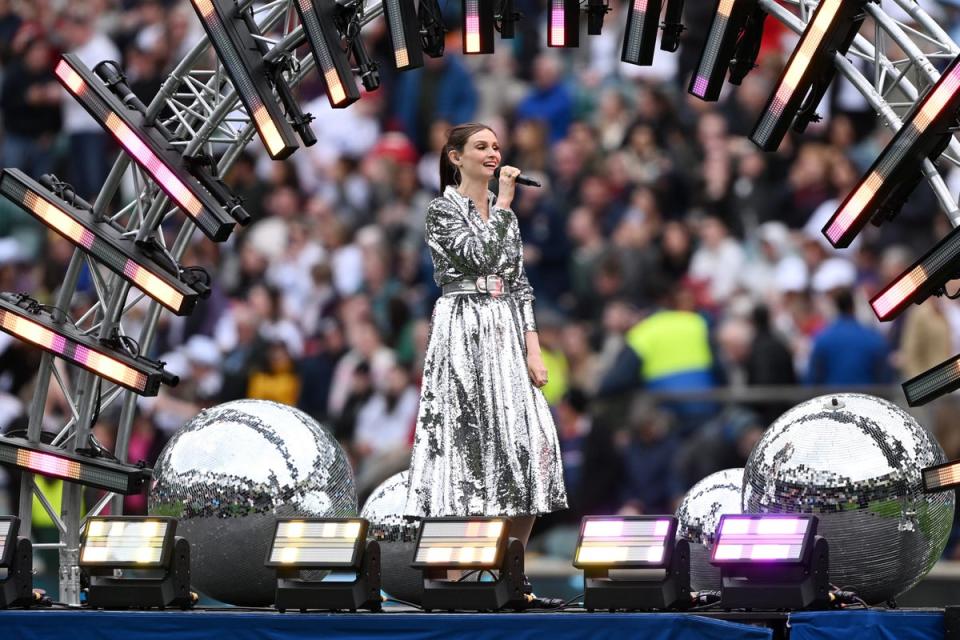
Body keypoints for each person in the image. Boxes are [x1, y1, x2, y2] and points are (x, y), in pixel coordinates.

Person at [404, 123, 567, 605]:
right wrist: (504, 204)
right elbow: (478, 257)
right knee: (464, 450)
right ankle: (453, 587)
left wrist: (533, 347)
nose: (493, 153)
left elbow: (518, 283)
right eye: (481, 146)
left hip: (505, 332)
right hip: (462, 329)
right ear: (455, 157)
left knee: (530, 445)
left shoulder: (504, 215)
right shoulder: (441, 210)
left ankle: (509, 578)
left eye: (496, 145)